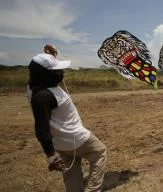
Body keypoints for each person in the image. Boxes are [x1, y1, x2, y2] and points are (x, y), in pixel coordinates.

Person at [27, 49, 107, 192]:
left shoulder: (32, 89)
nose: (62, 73)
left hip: (60, 143)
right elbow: (41, 129)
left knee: (71, 173)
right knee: (100, 152)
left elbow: (38, 70)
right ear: (46, 75)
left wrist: (51, 56)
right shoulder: (44, 97)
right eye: (57, 71)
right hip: (77, 138)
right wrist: (50, 156)